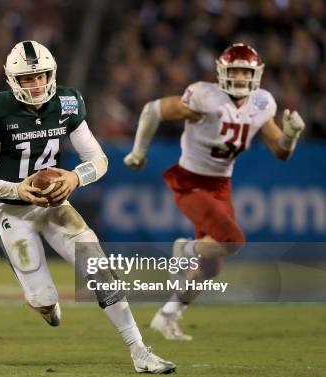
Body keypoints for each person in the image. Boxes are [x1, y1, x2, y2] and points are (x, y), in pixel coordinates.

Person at [0, 40, 176, 374]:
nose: (36, 84)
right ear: (12, 80)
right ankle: (44, 305)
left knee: (101, 273)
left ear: (52, 73)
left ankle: (140, 350)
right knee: (43, 298)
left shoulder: (67, 102)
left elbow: (98, 159)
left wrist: (77, 178)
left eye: (41, 76)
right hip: (11, 212)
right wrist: (19, 190)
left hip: (55, 206)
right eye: (27, 79)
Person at [123, 43, 305, 341]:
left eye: (244, 72)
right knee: (233, 241)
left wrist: (292, 135)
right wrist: (138, 151)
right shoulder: (206, 96)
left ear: (256, 74)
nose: (239, 77)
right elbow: (153, 109)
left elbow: (281, 152)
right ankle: (184, 250)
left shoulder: (262, 103)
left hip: (221, 185)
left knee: (211, 267)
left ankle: (167, 315)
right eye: (233, 70)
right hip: (191, 180)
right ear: (221, 71)